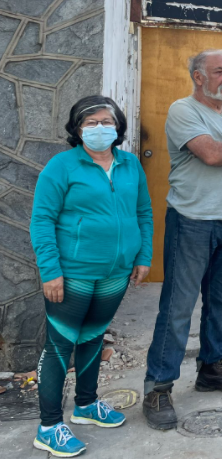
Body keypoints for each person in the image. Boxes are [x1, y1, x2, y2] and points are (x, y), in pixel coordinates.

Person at [143, 49, 222, 430]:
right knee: (178, 306)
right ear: (199, 77)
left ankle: (212, 367)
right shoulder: (183, 111)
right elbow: (212, 155)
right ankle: (158, 387)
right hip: (192, 221)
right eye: (219, 71)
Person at [29, 96, 153, 457]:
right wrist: (50, 271)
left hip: (115, 274)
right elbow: (42, 220)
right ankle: (49, 426)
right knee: (59, 347)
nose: (100, 128)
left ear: (118, 127)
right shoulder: (62, 166)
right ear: (77, 128)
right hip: (73, 274)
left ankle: (86, 406)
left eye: (106, 121)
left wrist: (143, 256)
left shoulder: (130, 164)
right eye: (91, 122)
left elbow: (143, 212)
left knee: (94, 338)